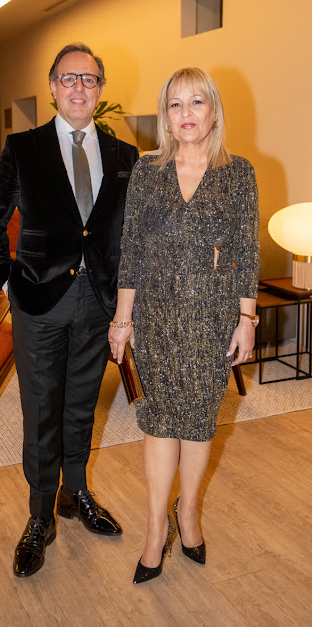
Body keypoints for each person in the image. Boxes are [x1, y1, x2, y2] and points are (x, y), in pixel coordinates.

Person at [0, 43, 138, 578]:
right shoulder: (24, 148)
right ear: (52, 87)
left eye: (89, 79)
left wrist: (126, 304)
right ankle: (40, 515)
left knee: (81, 407)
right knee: (42, 410)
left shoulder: (124, 155)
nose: (79, 88)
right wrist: (6, 280)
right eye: (69, 78)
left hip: (98, 303)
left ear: (100, 89)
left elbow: (129, 234)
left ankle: (76, 494)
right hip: (40, 302)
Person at [108, 67, 260, 585]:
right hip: (156, 318)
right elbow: (132, 250)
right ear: (166, 117)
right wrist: (122, 320)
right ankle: (156, 528)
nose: (187, 113)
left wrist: (246, 319)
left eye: (197, 102)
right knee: (158, 422)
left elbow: (246, 252)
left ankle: (187, 511)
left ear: (214, 111)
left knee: (198, 422)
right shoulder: (146, 171)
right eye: (175, 104)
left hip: (213, 320)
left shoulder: (238, 173)